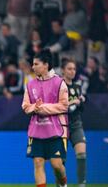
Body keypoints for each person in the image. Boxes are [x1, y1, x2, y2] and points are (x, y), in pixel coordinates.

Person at [21, 50, 68, 187]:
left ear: (46, 65)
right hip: (36, 131)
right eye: (33, 64)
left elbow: (64, 106)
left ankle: (63, 184)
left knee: (56, 164)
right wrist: (34, 108)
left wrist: (43, 108)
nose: (33, 67)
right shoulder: (30, 84)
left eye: (36, 64)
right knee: (38, 162)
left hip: (55, 131)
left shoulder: (59, 82)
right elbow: (25, 106)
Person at [61, 58, 86, 187]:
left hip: (76, 124)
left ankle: (82, 184)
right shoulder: (58, 86)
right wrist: (72, 102)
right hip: (61, 126)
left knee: (82, 153)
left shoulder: (77, 87)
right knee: (60, 160)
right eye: (69, 69)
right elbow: (57, 106)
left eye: (74, 69)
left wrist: (81, 101)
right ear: (63, 70)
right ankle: (61, 184)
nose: (72, 71)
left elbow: (81, 109)